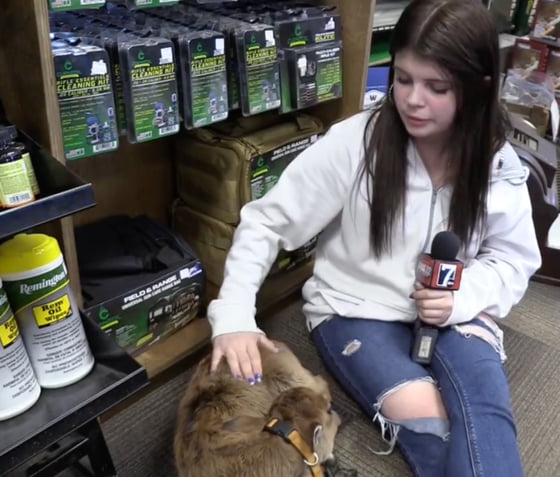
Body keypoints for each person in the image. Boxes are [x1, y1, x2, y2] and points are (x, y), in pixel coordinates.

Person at [207, 0, 542, 475]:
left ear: (478, 86)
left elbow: (512, 259)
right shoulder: (355, 142)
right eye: (402, 79)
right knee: (431, 424)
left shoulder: (497, 161)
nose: (412, 100)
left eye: (436, 87)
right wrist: (235, 313)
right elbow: (267, 222)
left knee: (487, 414)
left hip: (454, 309)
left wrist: (464, 296)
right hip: (355, 310)